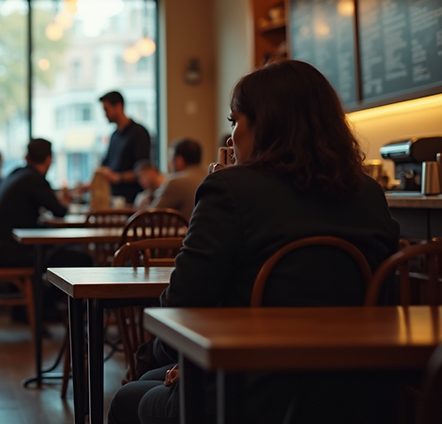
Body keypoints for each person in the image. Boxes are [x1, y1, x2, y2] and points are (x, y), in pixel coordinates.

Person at [109, 60, 401, 424]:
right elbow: (387, 303)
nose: (231, 138)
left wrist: (155, 354)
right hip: (357, 394)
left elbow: (181, 306)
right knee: (158, 378)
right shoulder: (370, 194)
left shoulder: (230, 190)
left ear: (265, 124)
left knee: (129, 395)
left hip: (248, 391)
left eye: (234, 121)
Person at [0, 139, 94, 315]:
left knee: (65, 254)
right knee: (82, 260)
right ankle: (45, 309)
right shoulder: (33, 178)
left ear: (27, 157)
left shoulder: (17, 173)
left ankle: (40, 308)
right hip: (14, 253)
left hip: (1, 248)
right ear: (49, 160)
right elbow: (59, 210)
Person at [98, 91, 152, 203]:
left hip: (132, 198)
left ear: (118, 106)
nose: (105, 114)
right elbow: (105, 164)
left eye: (106, 109)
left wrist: (118, 178)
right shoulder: (114, 136)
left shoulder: (139, 133)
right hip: (114, 198)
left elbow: (144, 169)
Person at [146, 138, 205, 220]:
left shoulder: (176, 181)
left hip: (186, 232)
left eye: (171, 158)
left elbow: (151, 216)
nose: (170, 163)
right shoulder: (211, 176)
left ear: (179, 160)